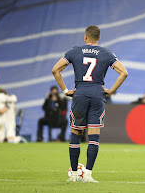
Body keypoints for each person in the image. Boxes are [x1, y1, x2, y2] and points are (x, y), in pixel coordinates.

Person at [52, 25, 128, 183]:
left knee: (76, 134)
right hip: (97, 95)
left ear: (85, 37)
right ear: (99, 38)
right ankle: (88, 175)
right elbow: (124, 72)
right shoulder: (106, 53)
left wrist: (65, 90)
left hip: (79, 94)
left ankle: (73, 175)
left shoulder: (74, 51)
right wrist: (111, 91)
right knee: (94, 137)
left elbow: (55, 70)